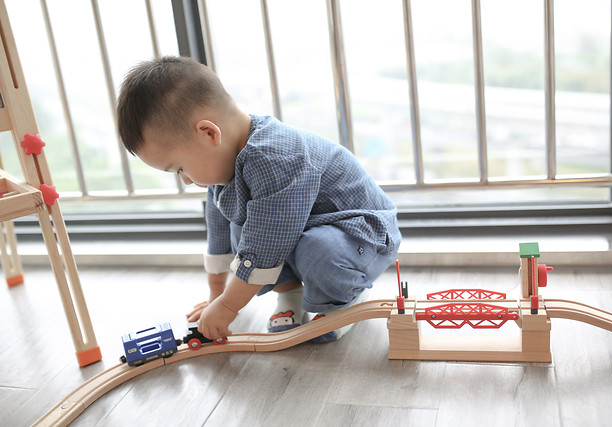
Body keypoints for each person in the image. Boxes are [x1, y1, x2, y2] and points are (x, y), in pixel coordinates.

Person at [116, 56, 401, 343]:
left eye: (179, 168)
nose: (186, 180)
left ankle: (341, 303)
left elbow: (265, 245)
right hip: (307, 229)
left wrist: (228, 306)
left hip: (362, 234)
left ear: (208, 133)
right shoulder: (224, 167)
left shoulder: (273, 157)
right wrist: (216, 296)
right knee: (244, 227)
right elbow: (220, 237)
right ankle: (290, 292)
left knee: (300, 246)